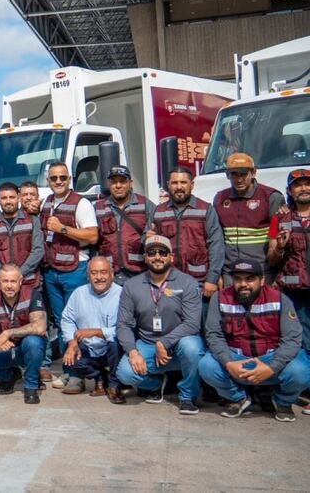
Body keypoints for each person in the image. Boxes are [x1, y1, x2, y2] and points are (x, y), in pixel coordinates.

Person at [198, 260, 310, 422]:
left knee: (302, 369)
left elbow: (292, 339)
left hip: (271, 361)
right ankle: (238, 398)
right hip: (236, 362)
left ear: (262, 280)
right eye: (238, 279)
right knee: (206, 366)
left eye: (250, 278)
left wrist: (272, 368)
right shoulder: (220, 298)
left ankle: (283, 402)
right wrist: (229, 363)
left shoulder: (280, 299)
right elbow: (214, 335)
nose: (243, 284)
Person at [115, 234, 204, 414]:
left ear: (171, 257)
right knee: (124, 373)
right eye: (152, 252)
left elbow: (193, 323)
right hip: (147, 344)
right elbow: (123, 325)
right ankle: (155, 385)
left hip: (179, 343)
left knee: (192, 348)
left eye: (163, 252)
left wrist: (164, 342)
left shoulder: (187, 282)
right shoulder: (132, 285)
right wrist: (133, 353)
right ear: (145, 257)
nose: (157, 257)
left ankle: (187, 396)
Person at [39, 162, 98, 381]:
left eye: (62, 177)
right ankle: (69, 370)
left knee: (78, 321)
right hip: (52, 271)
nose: (58, 182)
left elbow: (92, 236)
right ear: (48, 181)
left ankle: (80, 372)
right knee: (62, 321)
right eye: (54, 178)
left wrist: (62, 229)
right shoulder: (47, 203)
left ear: (69, 179)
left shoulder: (81, 204)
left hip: (75, 270)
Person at [0, 265, 47, 404]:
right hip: (2, 350)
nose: (9, 286)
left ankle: (31, 385)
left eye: (13, 281)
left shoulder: (33, 295)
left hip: (24, 349)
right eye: (5, 281)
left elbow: (40, 327)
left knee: (34, 342)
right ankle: (9, 375)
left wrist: (7, 333)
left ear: (20, 281)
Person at [152, 167, 225, 301]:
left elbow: (216, 246)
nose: (179, 187)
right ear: (168, 185)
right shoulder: (158, 212)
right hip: (168, 280)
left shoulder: (205, 209)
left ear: (192, 185)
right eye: (174, 183)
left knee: (199, 321)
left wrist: (212, 279)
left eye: (183, 183)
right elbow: (148, 241)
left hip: (199, 282)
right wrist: (148, 238)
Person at [213, 153, 284, 283]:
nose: (239, 179)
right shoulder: (220, 198)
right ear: (227, 175)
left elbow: (278, 238)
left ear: (253, 173)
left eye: (243, 174)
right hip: (231, 273)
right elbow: (216, 240)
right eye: (234, 174)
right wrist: (218, 274)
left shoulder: (271, 197)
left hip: (261, 273)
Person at [60, 257, 123, 400]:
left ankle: (114, 386)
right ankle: (100, 378)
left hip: (111, 349)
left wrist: (96, 332)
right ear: (88, 275)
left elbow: (125, 328)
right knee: (70, 358)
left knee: (116, 343)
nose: (99, 277)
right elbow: (67, 319)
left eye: (103, 272)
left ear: (111, 274)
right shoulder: (79, 293)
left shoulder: (122, 294)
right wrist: (72, 342)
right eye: (94, 273)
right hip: (88, 349)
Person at [272, 169, 310, 366]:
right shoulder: (280, 219)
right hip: (294, 293)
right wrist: (279, 246)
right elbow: (271, 259)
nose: (304, 188)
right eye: (298, 185)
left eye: (307, 183)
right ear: (289, 190)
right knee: (300, 340)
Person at [94, 165, 156, 285]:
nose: (118, 186)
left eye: (122, 181)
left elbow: (154, 233)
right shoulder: (98, 207)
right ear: (109, 183)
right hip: (109, 274)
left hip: (139, 273)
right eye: (114, 182)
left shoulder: (145, 205)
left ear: (130, 183)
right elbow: (93, 242)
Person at [0, 182, 44, 289]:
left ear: (19, 198)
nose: (8, 201)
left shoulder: (32, 220)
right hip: (3, 285)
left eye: (12, 197)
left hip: (29, 282)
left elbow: (38, 250)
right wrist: (4, 274)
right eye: (4, 198)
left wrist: (19, 274)